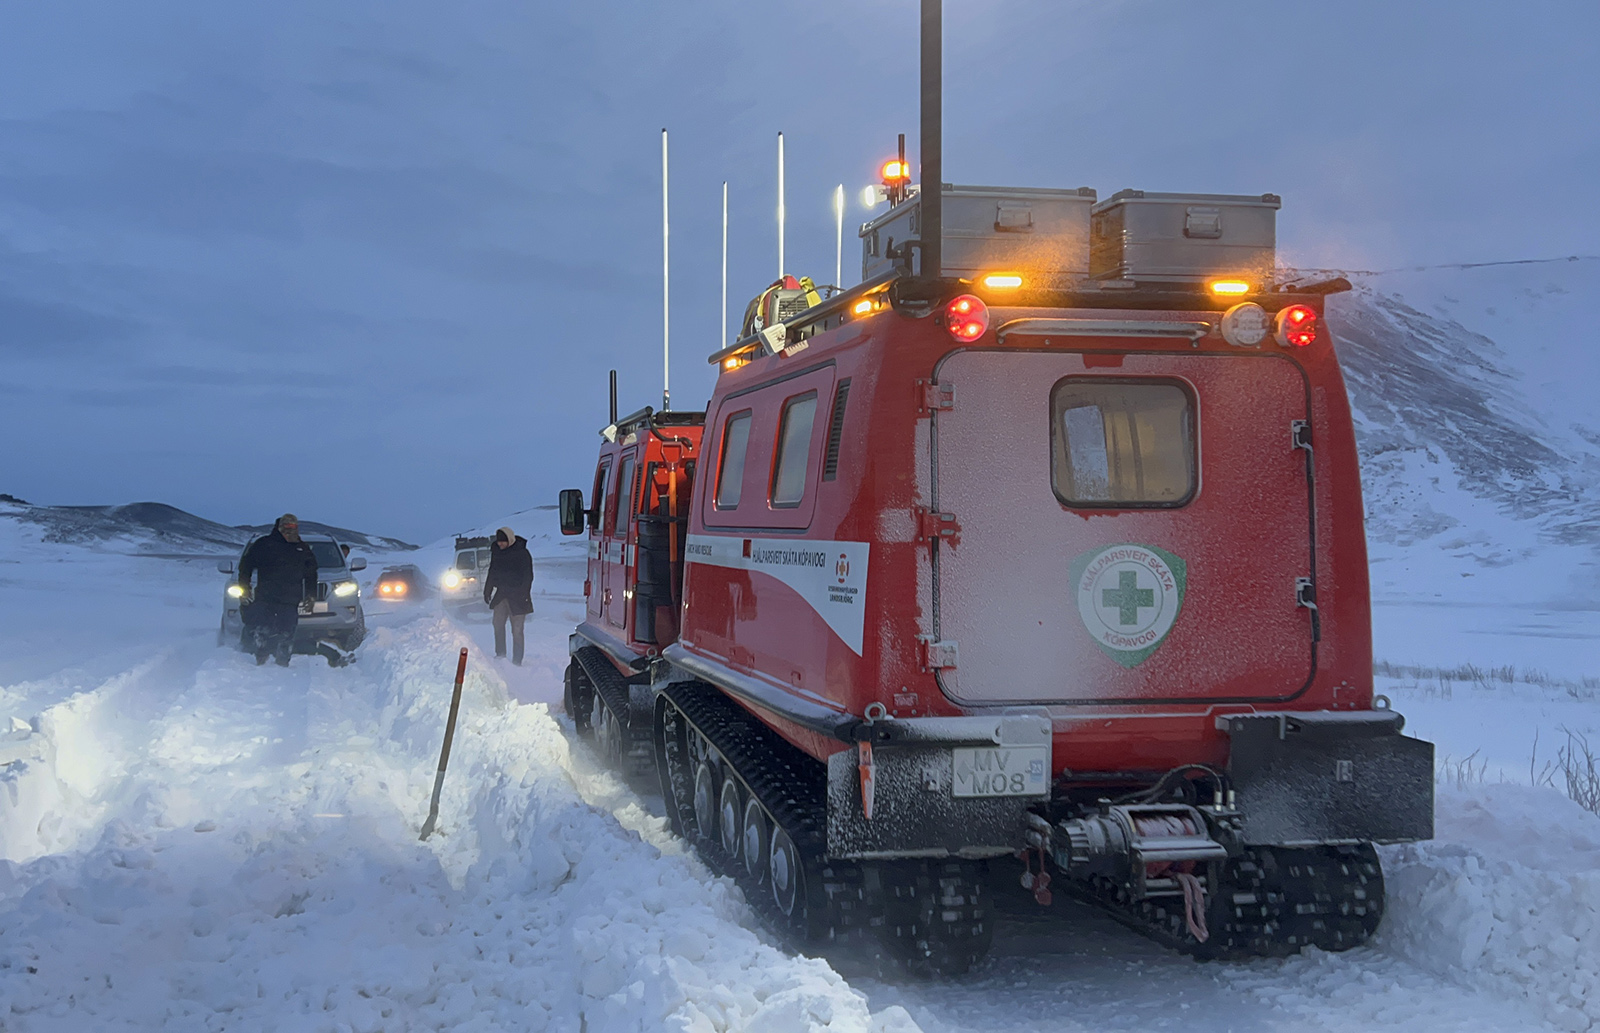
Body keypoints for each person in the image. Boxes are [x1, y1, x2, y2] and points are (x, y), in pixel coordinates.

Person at [237, 513, 318, 667]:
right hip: (265, 597)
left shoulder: (302, 549)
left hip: (290, 600)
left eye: (293, 527)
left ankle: (282, 662)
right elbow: (245, 566)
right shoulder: (264, 545)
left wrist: (311, 596)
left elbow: (311, 574)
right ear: (279, 527)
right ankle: (260, 658)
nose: (290, 531)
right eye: (287, 527)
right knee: (262, 630)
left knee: (287, 632)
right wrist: (244, 588)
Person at [483, 526, 533, 665]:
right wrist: (487, 590)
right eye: (498, 542)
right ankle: (500, 655)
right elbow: (492, 571)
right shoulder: (497, 552)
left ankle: (517, 661)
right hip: (501, 595)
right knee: (497, 624)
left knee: (517, 630)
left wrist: (524, 594)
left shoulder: (522, 553)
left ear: (510, 540)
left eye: (503, 542)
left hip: (518, 598)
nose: (500, 544)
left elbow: (528, 577)